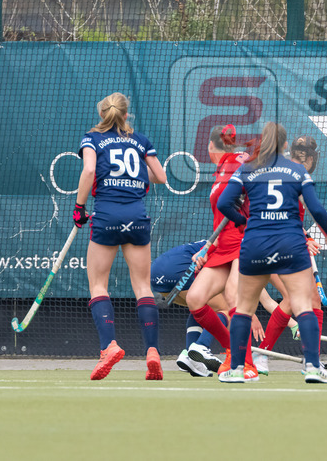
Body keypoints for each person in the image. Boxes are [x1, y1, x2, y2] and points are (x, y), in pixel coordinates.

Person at [216, 122, 327, 384]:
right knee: (303, 304)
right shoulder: (296, 170)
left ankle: (237, 370)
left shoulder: (247, 168)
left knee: (244, 309)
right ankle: (313, 368)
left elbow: (225, 202)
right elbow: (316, 208)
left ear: (263, 141)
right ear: (285, 145)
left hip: (255, 244)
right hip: (290, 245)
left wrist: (243, 221)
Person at [74, 92, 167, 381]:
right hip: (137, 217)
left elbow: (90, 169)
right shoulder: (140, 141)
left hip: (106, 216)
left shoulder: (92, 138)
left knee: (98, 284)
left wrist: (79, 207)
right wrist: (137, 175)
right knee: (142, 286)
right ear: (126, 115)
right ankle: (153, 352)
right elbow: (160, 176)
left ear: (102, 115)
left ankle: (109, 347)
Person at [184, 124, 259, 379]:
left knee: (232, 297)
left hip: (242, 240)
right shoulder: (221, 170)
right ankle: (232, 348)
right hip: (221, 246)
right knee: (195, 298)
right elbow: (220, 218)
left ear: (209, 146)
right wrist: (208, 246)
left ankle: (246, 364)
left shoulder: (237, 162)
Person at [149, 239, 230, 376]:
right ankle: (202, 345)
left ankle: (190, 357)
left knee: (199, 305)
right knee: (225, 308)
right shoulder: (234, 246)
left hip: (156, 272)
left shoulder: (220, 240)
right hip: (179, 270)